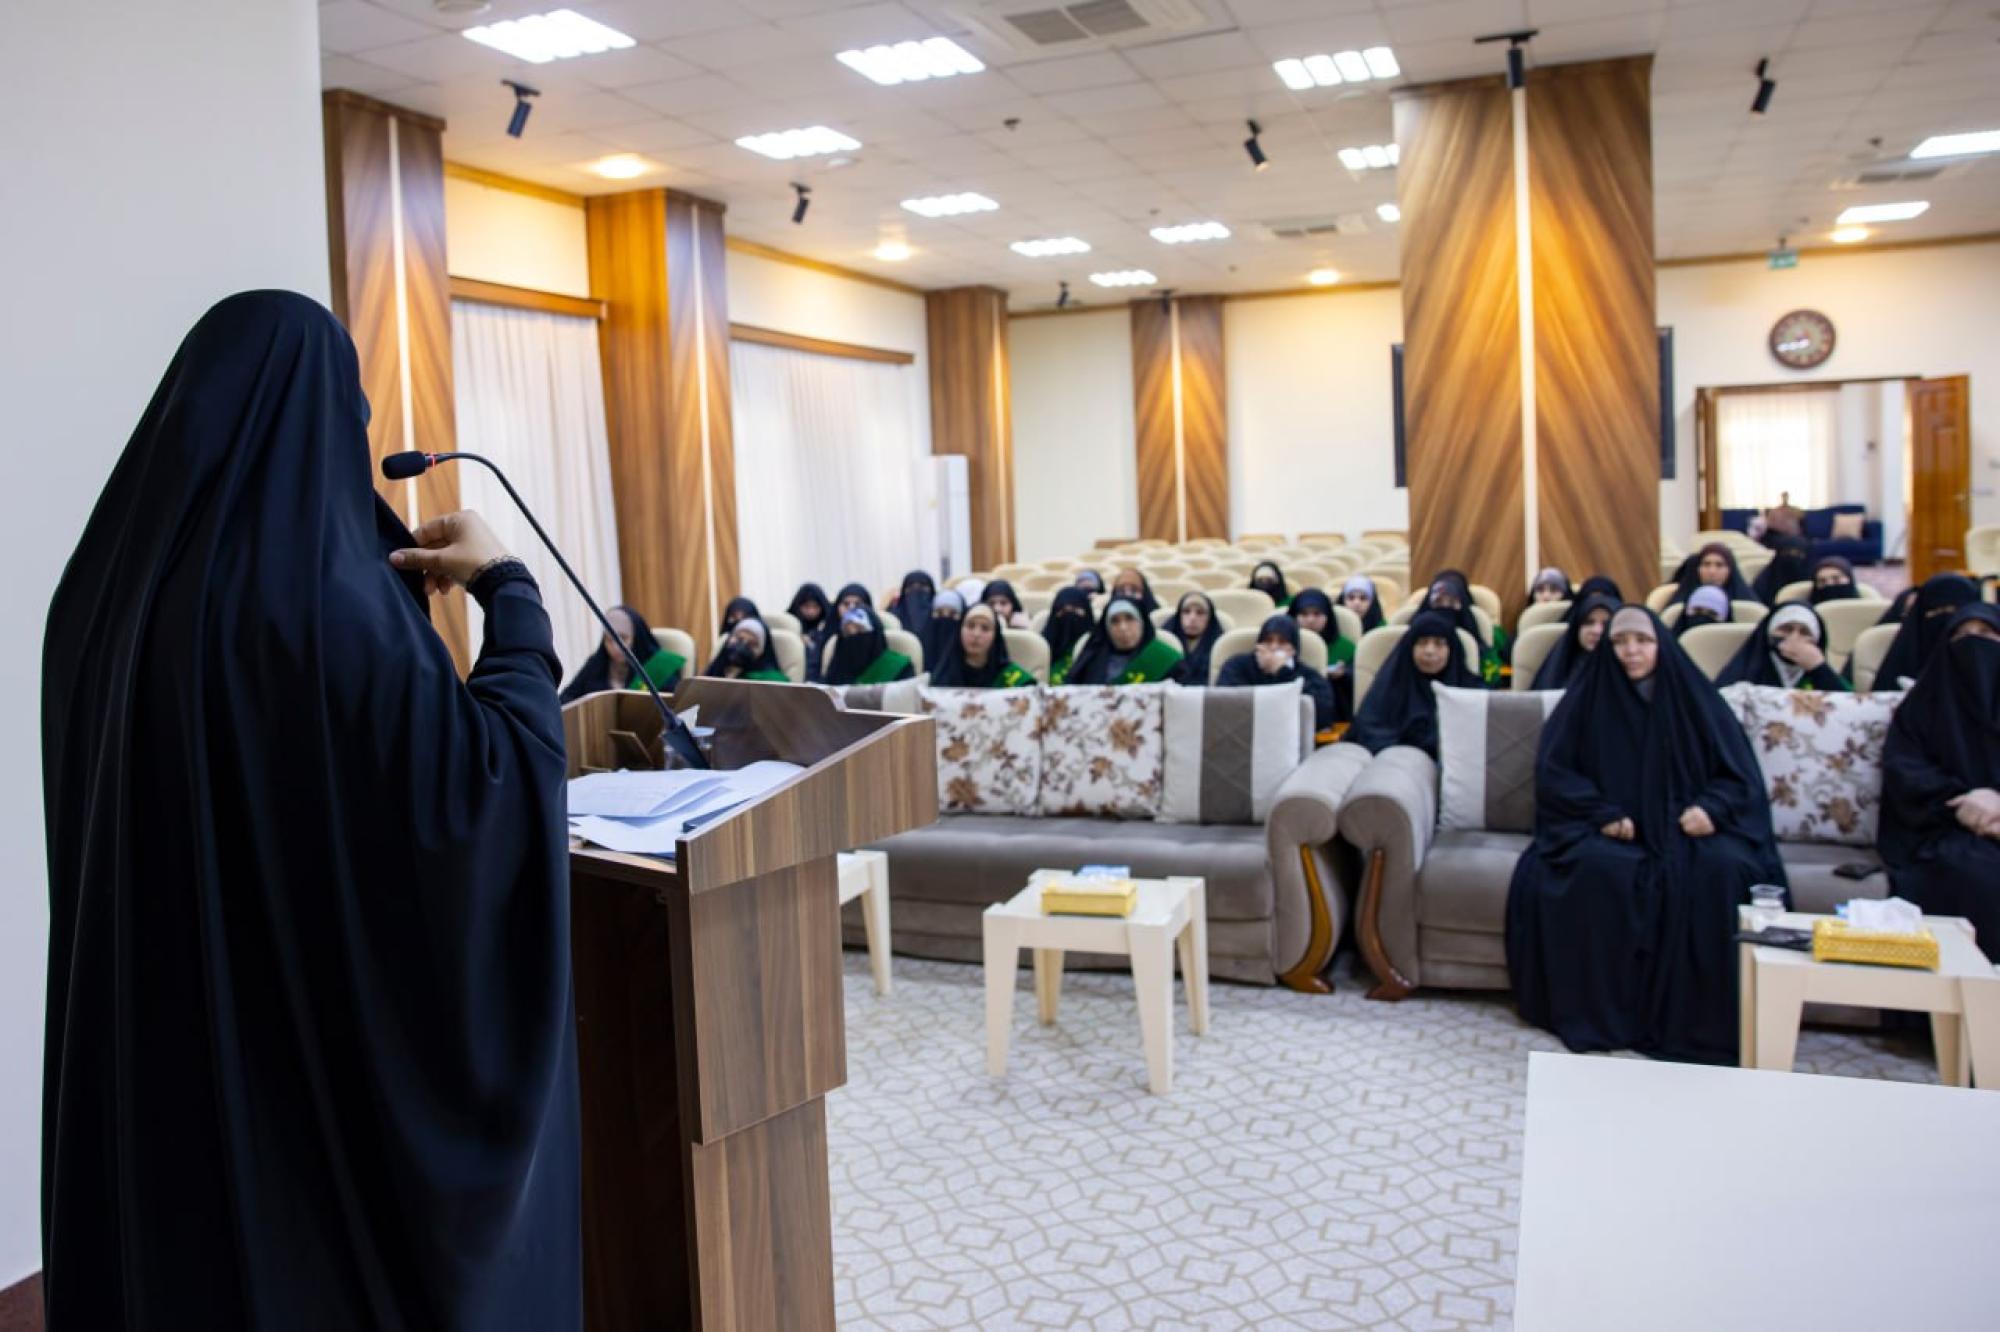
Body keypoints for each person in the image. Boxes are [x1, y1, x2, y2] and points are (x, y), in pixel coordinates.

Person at [41, 292, 579, 1327]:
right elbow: (489, 792)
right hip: (298, 1112)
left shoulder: (96, 603)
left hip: (157, 1074)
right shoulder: (326, 617)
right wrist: (510, 592)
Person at [1505, 607, 1787, 1064]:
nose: (1630, 651)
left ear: (1661, 645)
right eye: (1619, 642)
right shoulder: (1587, 699)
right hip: (1611, 830)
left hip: (1688, 829)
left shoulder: (1695, 699)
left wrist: (1711, 809)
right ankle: (1610, 1017)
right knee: (1595, 873)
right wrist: (1601, 813)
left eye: (1642, 641)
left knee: (1723, 872)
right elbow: (1556, 774)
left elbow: (1739, 776)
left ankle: (1700, 1021)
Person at [1879, 604, 2000, 948]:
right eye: (1961, 636)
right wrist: (1966, 802)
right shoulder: (1924, 705)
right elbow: (1906, 771)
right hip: (1947, 827)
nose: (1973, 644)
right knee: (1971, 875)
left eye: (1986, 634)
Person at [1344, 610, 1484, 757]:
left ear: (1452, 650)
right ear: (1409, 648)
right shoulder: (1389, 686)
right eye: (1422, 643)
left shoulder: (1471, 690)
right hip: (1392, 759)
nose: (1429, 651)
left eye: (1439, 644)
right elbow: (1367, 731)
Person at [1216, 614, 1339, 729]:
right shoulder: (1237, 666)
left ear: (1293, 649)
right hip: (1243, 732)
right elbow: (1224, 704)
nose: (1274, 647)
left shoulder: (1307, 675)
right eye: (1268, 641)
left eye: (1282, 642)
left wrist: (1282, 672)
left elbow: (1323, 716)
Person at [1871, 573, 1981, 691]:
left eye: (1955, 611)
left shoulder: (1985, 656)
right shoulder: (1902, 658)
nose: (1945, 618)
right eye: (1936, 611)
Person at [560, 603, 685, 703]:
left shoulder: (661, 666)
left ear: (637, 638)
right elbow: (566, 699)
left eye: (623, 638)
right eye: (609, 640)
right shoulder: (596, 663)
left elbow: (675, 706)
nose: (615, 647)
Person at [1716, 604, 1847, 691]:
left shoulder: (1822, 671)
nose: (1794, 638)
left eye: (1804, 632)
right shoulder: (1743, 673)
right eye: (1786, 629)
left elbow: (1848, 708)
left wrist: (1819, 669)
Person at [1064, 598, 1185, 685]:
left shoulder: (1166, 659)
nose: (1123, 627)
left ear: (1142, 623)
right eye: (1115, 621)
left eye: (1129, 618)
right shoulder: (1090, 660)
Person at [1421, 570, 1504, 684]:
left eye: (1452, 602)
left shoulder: (1483, 636)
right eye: (1438, 601)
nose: (1445, 607)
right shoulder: (1414, 632)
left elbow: (1492, 680)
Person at [930, 603, 1035, 688]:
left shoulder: (1014, 680)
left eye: (985, 628)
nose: (976, 634)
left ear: (995, 636)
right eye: (970, 626)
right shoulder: (943, 675)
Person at [1289, 588, 1355, 720]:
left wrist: (1345, 674)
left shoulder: (1346, 647)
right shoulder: (1284, 644)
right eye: (1304, 614)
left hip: (1335, 714)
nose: (1310, 620)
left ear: (1328, 616)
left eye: (1317, 614)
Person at [1531, 593, 1618, 690]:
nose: (1596, 631)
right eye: (1588, 622)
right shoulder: (1558, 669)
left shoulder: (1627, 668)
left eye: (1606, 624)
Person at [826, 605, 915, 685]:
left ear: (875, 634)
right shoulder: (836, 669)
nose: (853, 636)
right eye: (847, 632)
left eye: (860, 629)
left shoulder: (899, 667)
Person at [1666, 543, 1755, 606]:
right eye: (1706, 564)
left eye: (1719, 565)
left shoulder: (1748, 606)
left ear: (1730, 570)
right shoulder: (1679, 604)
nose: (1712, 571)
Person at [702, 617, 788, 681]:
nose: (743, 645)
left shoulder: (772, 680)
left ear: (761, 652)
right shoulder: (713, 673)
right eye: (739, 639)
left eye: (752, 644)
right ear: (728, 640)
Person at [1168, 590, 1226, 684]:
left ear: (1210, 618)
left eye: (1200, 613)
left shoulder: (1222, 647)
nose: (1192, 618)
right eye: (1186, 611)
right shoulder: (1165, 643)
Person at [1043, 586, 1096, 685]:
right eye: (1063, 611)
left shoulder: (1098, 647)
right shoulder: (1042, 648)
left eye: (1075, 609)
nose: (1069, 615)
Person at [788, 582, 836, 682]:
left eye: (815, 607)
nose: (811, 611)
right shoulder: (789, 622)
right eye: (806, 607)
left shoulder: (830, 624)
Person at [1750, 535, 1812, 605]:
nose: (1791, 559)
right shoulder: (1763, 582)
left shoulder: (1810, 581)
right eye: (1787, 553)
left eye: (1798, 554)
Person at [924, 588, 966, 667]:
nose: (945, 617)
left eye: (952, 614)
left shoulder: (969, 651)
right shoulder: (921, 647)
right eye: (939, 613)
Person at [890, 569, 936, 637]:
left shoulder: (940, 615)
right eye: (910, 586)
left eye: (922, 586)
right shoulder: (892, 617)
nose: (916, 590)